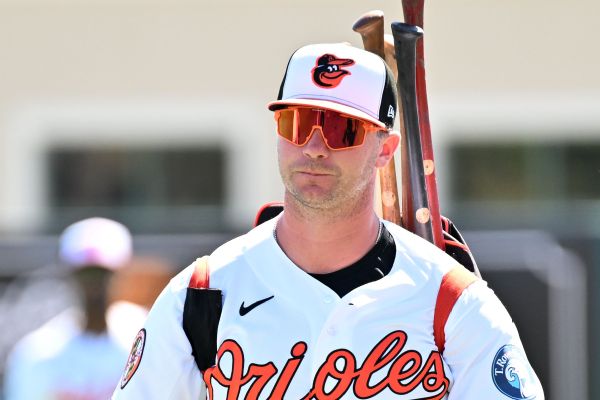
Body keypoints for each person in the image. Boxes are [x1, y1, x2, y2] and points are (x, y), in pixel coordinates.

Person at [112, 43, 544, 399]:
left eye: (342, 129)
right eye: (297, 123)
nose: (315, 147)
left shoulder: (451, 302)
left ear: (385, 150)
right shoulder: (203, 293)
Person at [4, 217, 134, 400]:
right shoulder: (37, 353)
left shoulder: (148, 340)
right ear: (68, 275)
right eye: (86, 274)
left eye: (102, 273)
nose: (94, 285)